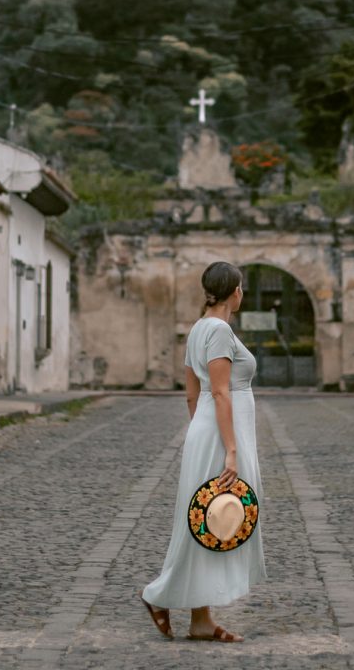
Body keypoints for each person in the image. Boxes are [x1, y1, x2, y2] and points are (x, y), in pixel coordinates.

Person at [140, 260, 266, 642]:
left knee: (206, 522)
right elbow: (220, 390)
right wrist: (229, 448)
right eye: (241, 288)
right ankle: (159, 595)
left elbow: (192, 394)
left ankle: (200, 620)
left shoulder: (198, 329)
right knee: (214, 518)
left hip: (207, 429)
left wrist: (204, 427)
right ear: (235, 292)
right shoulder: (219, 330)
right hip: (221, 435)